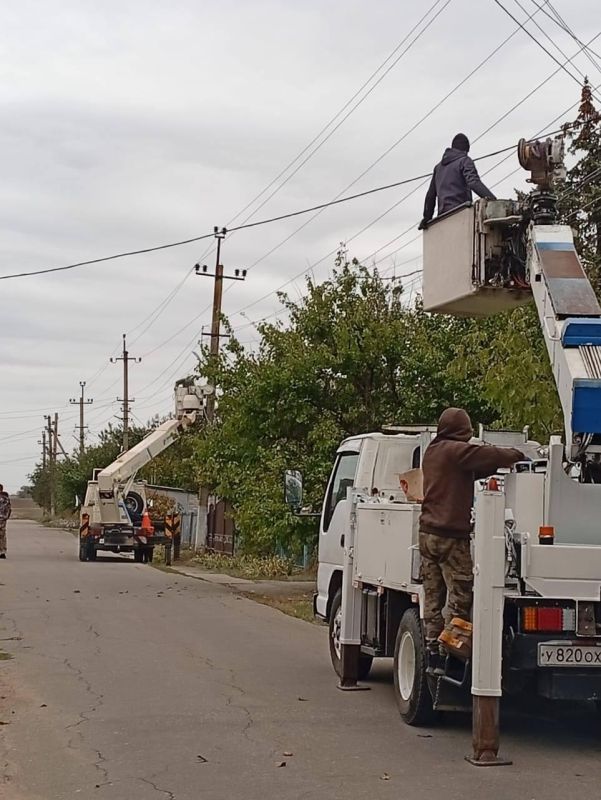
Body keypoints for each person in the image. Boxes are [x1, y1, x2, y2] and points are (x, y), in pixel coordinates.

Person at [419, 408, 524, 668]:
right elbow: (489, 455)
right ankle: (451, 654)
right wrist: (517, 455)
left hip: (427, 534)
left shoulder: (433, 451)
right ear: (462, 431)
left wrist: (489, 468)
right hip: (451, 537)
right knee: (460, 595)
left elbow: (469, 471)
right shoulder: (456, 451)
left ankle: (432, 648)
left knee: (433, 597)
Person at [418, 133, 497, 229]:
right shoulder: (465, 160)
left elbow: (430, 195)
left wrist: (427, 217)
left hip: (442, 219)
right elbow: (473, 182)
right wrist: (494, 201)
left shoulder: (438, 168)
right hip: (461, 214)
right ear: (466, 150)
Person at [0, 484, 12, 559]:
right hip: (2, 519)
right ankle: (2, 551)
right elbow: (9, 509)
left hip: (2, 518)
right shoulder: (6, 498)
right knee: (2, 535)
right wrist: (6, 517)